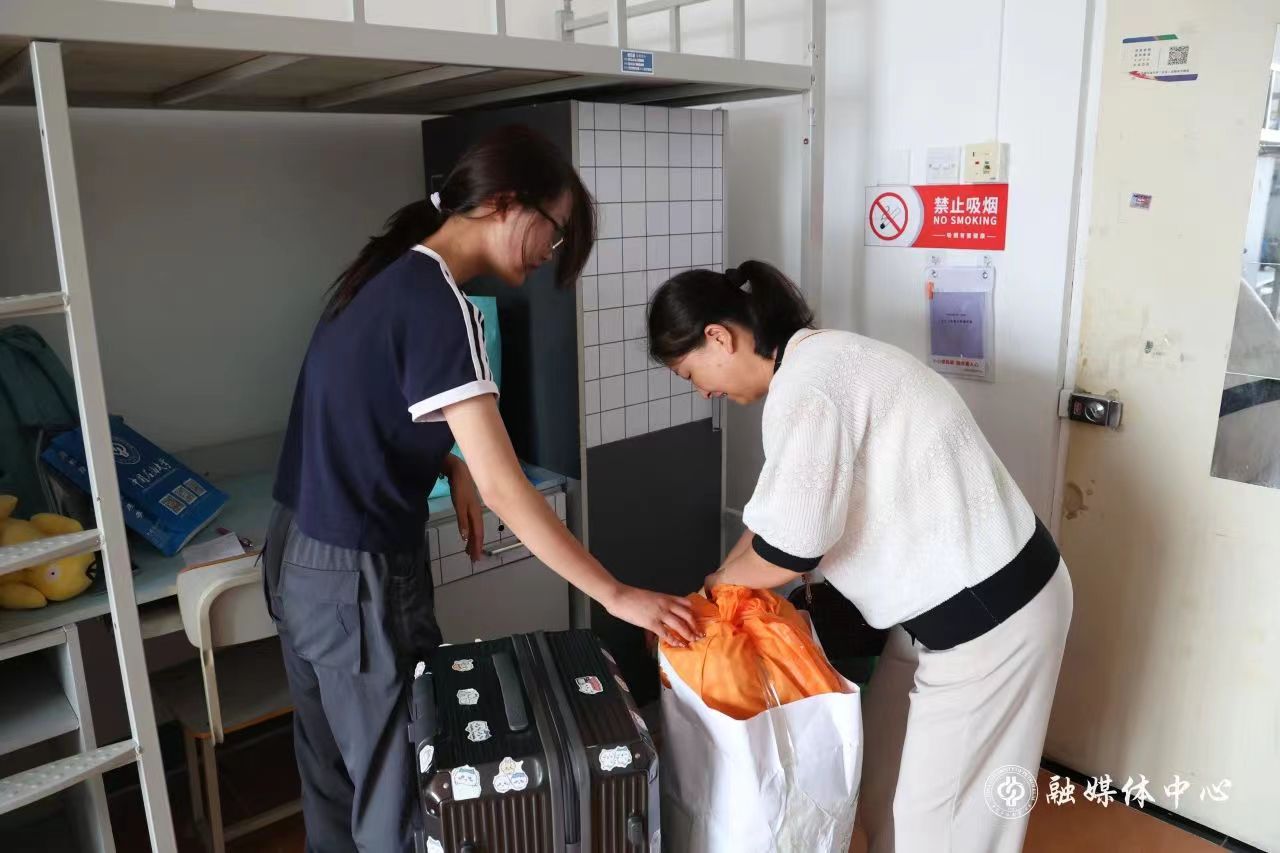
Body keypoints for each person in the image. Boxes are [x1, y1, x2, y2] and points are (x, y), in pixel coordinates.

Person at [264, 125, 696, 853]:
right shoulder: (441, 302)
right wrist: (616, 594)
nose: (551, 251)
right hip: (357, 576)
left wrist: (449, 462)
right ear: (504, 203)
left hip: (297, 556)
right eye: (555, 230)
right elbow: (506, 487)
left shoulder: (381, 273)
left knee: (332, 784)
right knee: (399, 800)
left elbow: (356, 412)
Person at [647, 259, 1073, 853]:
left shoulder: (811, 385)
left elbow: (788, 551)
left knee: (941, 827)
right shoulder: (815, 362)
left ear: (719, 337)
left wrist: (712, 594)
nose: (705, 391)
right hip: (945, 613)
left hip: (992, 619)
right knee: (879, 786)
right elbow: (771, 519)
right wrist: (719, 580)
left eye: (691, 373)